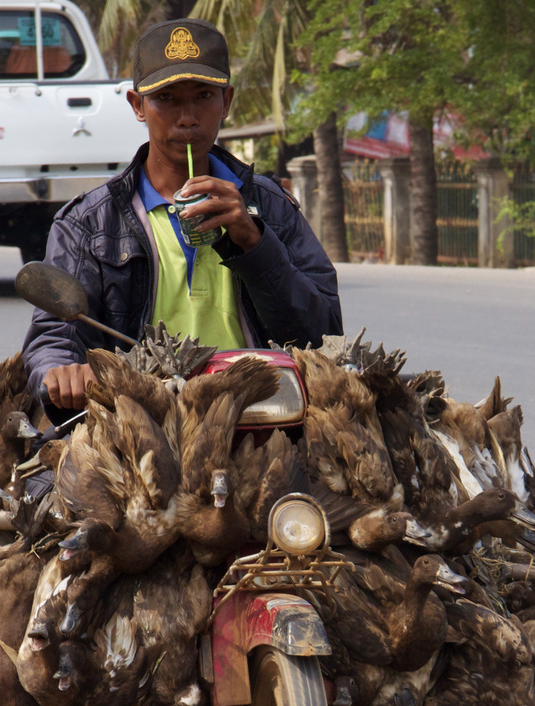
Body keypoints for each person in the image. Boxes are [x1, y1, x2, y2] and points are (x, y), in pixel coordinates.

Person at [22, 18, 342, 419]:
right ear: (138, 106)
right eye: (167, 98)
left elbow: (325, 334)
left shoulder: (271, 207)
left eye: (203, 96)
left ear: (226, 102)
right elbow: (56, 337)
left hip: (263, 417)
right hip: (142, 425)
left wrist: (253, 241)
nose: (187, 117)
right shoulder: (89, 223)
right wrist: (59, 372)